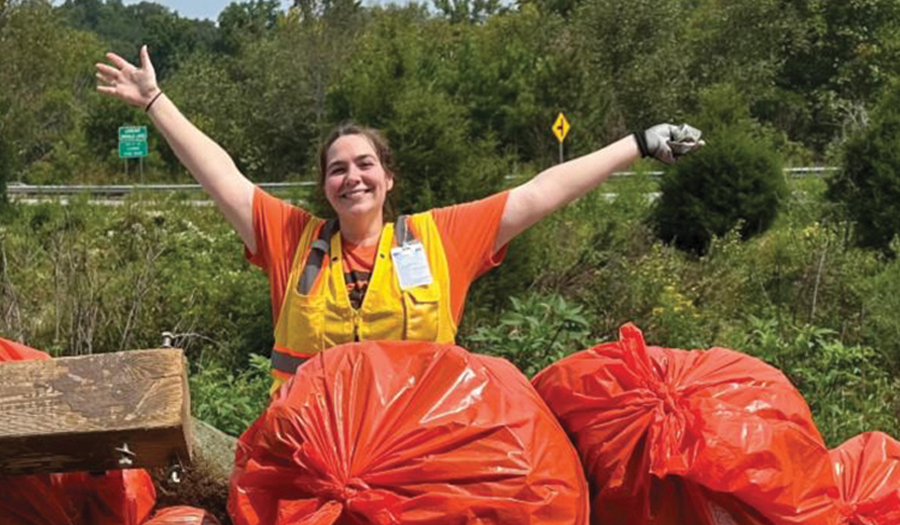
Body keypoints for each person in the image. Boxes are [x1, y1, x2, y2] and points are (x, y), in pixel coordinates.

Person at [96, 46, 704, 390]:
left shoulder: (441, 238)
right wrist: (155, 101)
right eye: (337, 170)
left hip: (419, 451)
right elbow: (221, 173)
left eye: (364, 165)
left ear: (389, 178)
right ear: (324, 188)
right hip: (312, 455)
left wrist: (639, 143)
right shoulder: (291, 241)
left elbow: (541, 192)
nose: (351, 177)